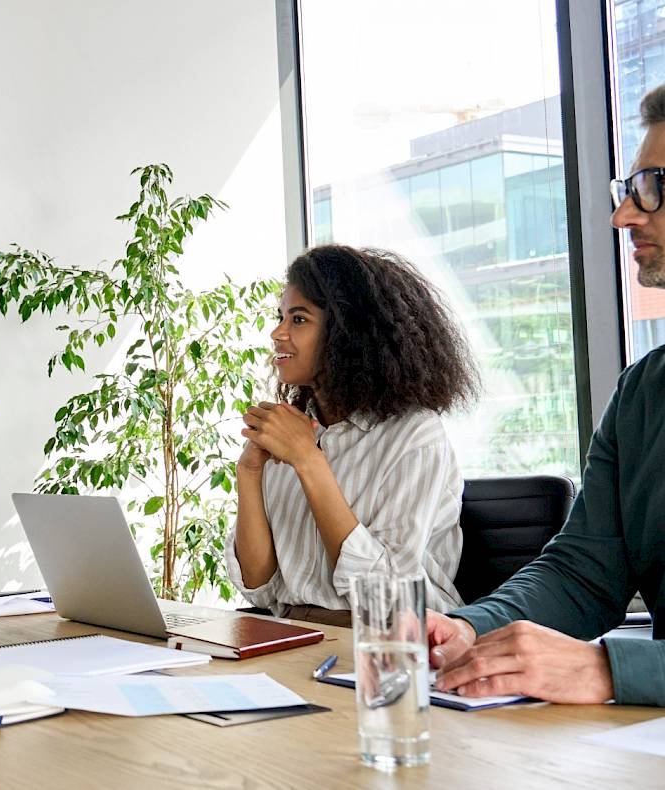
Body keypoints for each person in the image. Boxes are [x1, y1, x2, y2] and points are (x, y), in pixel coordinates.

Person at [427, 85, 665, 707]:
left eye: (654, 188)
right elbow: (582, 574)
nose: (623, 217)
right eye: (630, 190)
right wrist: (469, 628)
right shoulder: (643, 394)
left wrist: (611, 670)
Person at [225, 245, 479, 626]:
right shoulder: (292, 429)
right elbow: (259, 586)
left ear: (347, 332)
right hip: (292, 634)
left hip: (388, 646)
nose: (277, 333)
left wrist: (309, 462)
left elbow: (387, 595)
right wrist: (249, 472)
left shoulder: (414, 436)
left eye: (298, 319)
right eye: (281, 317)